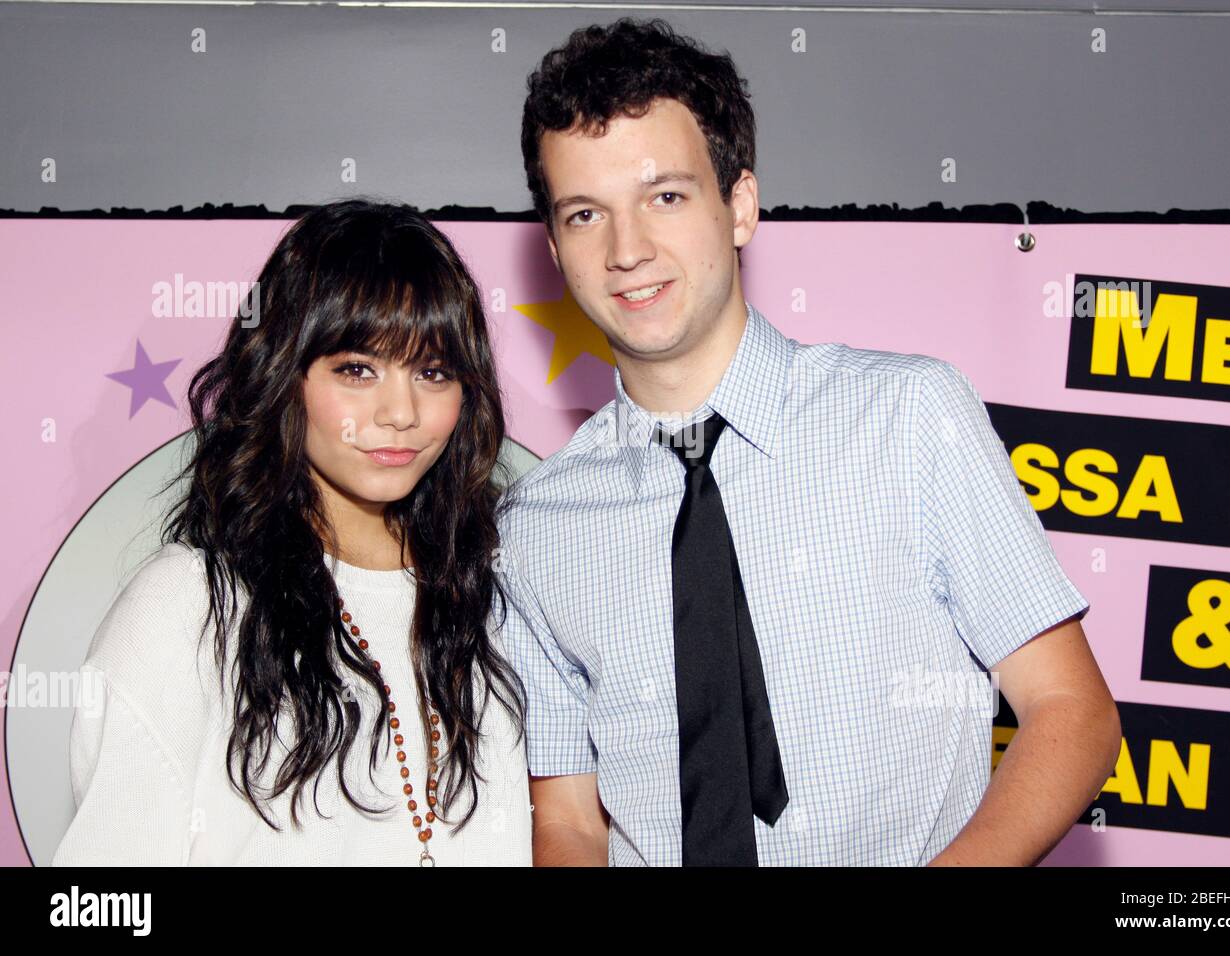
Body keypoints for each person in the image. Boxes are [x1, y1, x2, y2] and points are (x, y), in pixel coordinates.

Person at [496, 18, 1122, 867]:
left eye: (666, 197)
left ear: (741, 205)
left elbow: (1070, 710)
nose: (628, 249)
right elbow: (568, 820)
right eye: (585, 214)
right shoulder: (537, 522)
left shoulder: (907, 417)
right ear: (556, 247)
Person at [53, 199, 531, 866]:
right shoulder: (187, 607)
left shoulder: (502, 601)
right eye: (357, 370)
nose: (401, 413)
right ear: (284, 374)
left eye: (433, 372)